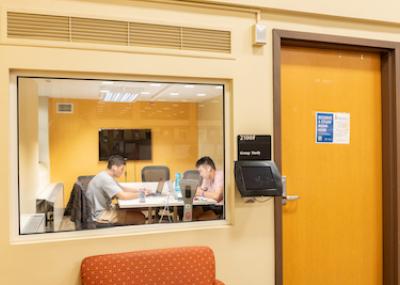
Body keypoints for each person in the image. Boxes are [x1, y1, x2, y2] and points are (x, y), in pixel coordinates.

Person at [86, 155, 148, 225]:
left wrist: (140, 190)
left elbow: (123, 188)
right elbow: (123, 196)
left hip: (103, 209)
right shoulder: (106, 179)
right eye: (122, 169)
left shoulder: (105, 175)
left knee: (136, 210)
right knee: (140, 218)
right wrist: (141, 194)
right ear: (114, 168)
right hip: (100, 215)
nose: (122, 172)